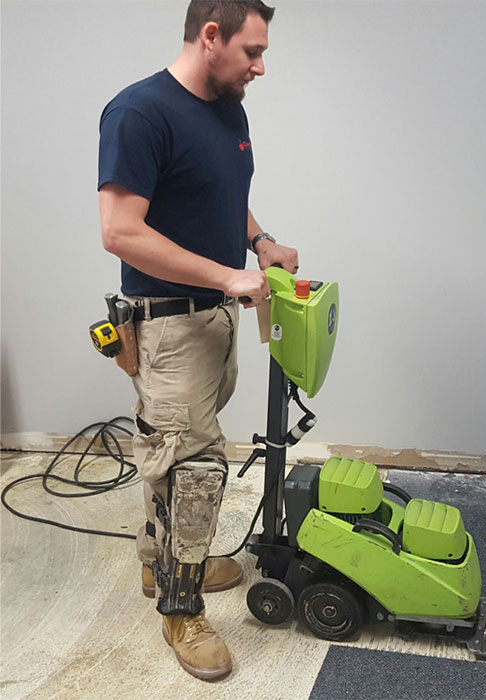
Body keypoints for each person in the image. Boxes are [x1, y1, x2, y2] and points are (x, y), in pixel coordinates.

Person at [98, 0, 296, 681]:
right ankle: (181, 612)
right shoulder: (139, 113)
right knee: (193, 470)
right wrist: (226, 275)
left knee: (173, 452)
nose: (260, 66)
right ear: (211, 36)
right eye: (251, 51)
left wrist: (260, 243)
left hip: (216, 316)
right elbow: (120, 231)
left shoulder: (225, 106)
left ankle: (163, 565)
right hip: (169, 322)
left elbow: (219, 191)